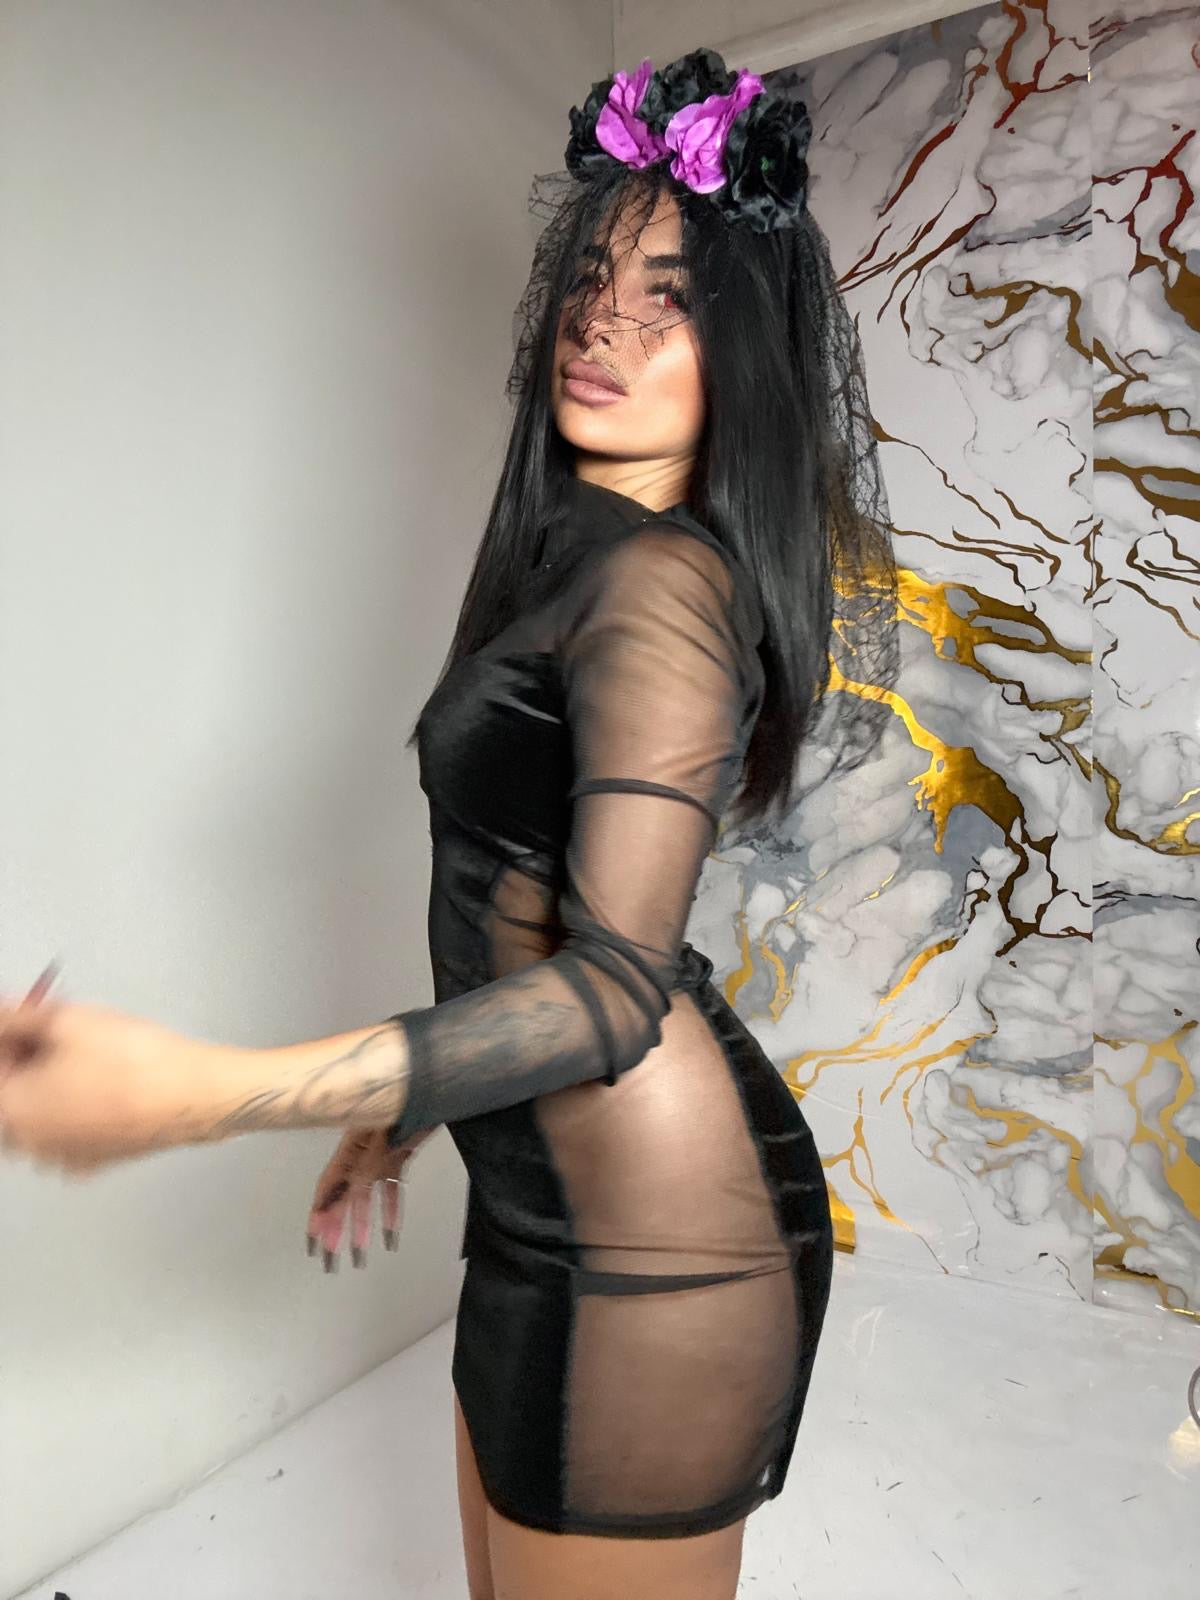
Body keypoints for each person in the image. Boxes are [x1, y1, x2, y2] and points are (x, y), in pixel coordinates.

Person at [0, 47, 898, 1600]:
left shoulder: (664, 588)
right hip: (542, 1206)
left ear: (744, 359)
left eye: (670, 301)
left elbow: (612, 989)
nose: (603, 325)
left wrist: (195, 1095)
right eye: (592, 282)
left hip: (664, 1249)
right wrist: (416, 1102)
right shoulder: (581, 557)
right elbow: (522, 890)